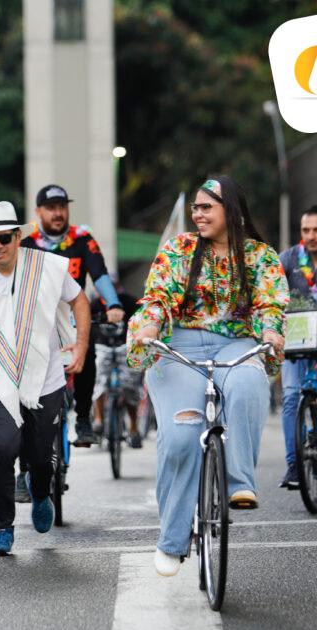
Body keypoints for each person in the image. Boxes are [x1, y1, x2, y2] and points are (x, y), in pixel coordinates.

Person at [127, 176, 288, 577]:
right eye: (195, 207)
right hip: (178, 348)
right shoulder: (179, 249)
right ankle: (173, 539)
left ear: (230, 211)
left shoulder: (259, 255)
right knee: (182, 436)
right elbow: (158, 296)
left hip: (235, 343)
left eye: (206, 207)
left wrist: (270, 331)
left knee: (250, 382)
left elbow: (271, 303)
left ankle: (239, 483)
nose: (197, 214)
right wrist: (148, 326)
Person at [0, 201, 90, 556]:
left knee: (41, 458)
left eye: (4, 238)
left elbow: (79, 300)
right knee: (3, 448)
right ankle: (3, 528)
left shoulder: (45, 267)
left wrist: (81, 346)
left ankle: (41, 491)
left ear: (18, 237)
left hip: (47, 378)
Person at [22, 184, 124, 448]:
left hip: (73, 317)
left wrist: (112, 303)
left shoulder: (82, 239)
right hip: (38, 320)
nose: (58, 213)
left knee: (86, 351)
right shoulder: (26, 243)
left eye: (62, 207)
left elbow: (99, 274)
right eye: (51, 208)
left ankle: (83, 419)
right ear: (38, 212)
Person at [278, 205, 317, 489]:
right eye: (306, 230)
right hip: (296, 339)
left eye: (316, 230)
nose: (311, 235)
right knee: (291, 395)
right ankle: (294, 465)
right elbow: (271, 290)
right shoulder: (289, 259)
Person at [91, 276, 144, 448]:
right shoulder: (94, 304)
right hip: (102, 347)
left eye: (112, 286)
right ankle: (98, 419)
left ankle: (134, 429)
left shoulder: (128, 301)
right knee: (98, 381)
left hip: (125, 346)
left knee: (130, 387)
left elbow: (143, 316)